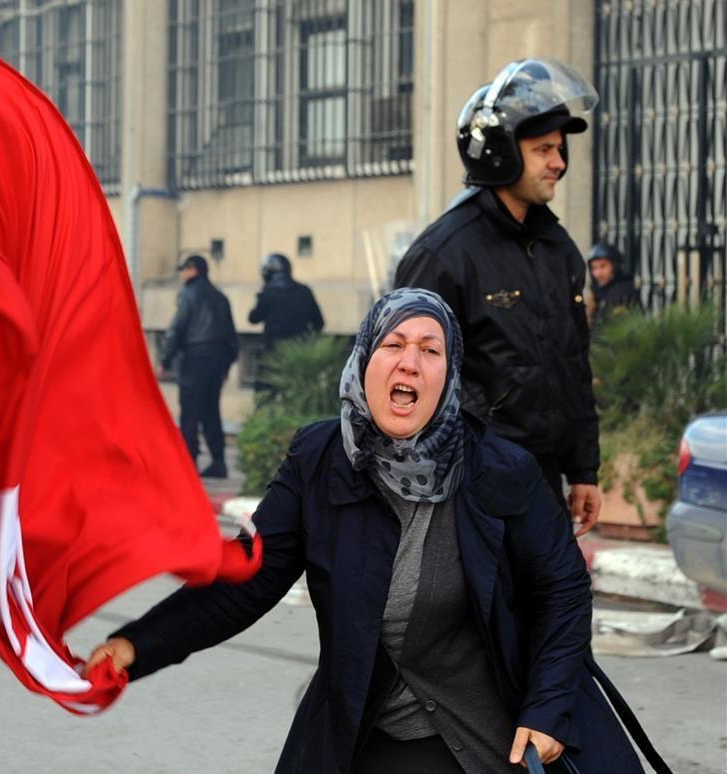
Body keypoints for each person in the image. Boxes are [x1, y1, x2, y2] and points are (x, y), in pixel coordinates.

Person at [88, 289, 668, 774]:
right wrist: (137, 645)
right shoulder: (319, 460)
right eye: (392, 345)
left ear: (450, 374)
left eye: (429, 350)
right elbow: (247, 578)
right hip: (373, 729)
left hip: (498, 733)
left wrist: (545, 710)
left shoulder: (499, 469)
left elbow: (562, 591)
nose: (408, 362)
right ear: (365, 359)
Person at [394, 58, 602, 535]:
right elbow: (407, 377)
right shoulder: (443, 254)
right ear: (500, 152)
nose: (559, 162)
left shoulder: (558, 248)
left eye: (560, 148)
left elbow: (573, 365)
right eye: (544, 149)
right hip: (468, 483)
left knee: (557, 607)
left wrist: (584, 469)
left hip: (540, 481)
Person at [158, 253, 238, 478]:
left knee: (190, 412)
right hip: (217, 358)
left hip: (195, 357)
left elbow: (177, 328)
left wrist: (165, 359)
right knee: (211, 411)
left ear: (194, 269)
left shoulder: (188, 294)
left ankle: (187, 463)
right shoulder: (221, 297)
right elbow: (232, 335)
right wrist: (226, 366)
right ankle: (219, 463)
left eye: (184, 269)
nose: (182, 273)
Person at [248, 252, 324, 395]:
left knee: (265, 393)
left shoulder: (269, 293)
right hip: (298, 352)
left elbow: (253, 318)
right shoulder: (304, 291)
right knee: (297, 392)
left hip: (272, 352)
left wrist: (260, 296)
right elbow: (319, 323)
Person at [586, 241, 642, 325]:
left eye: (603, 266)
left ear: (615, 265)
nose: (598, 273)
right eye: (594, 268)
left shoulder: (623, 291)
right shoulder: (601, 290)